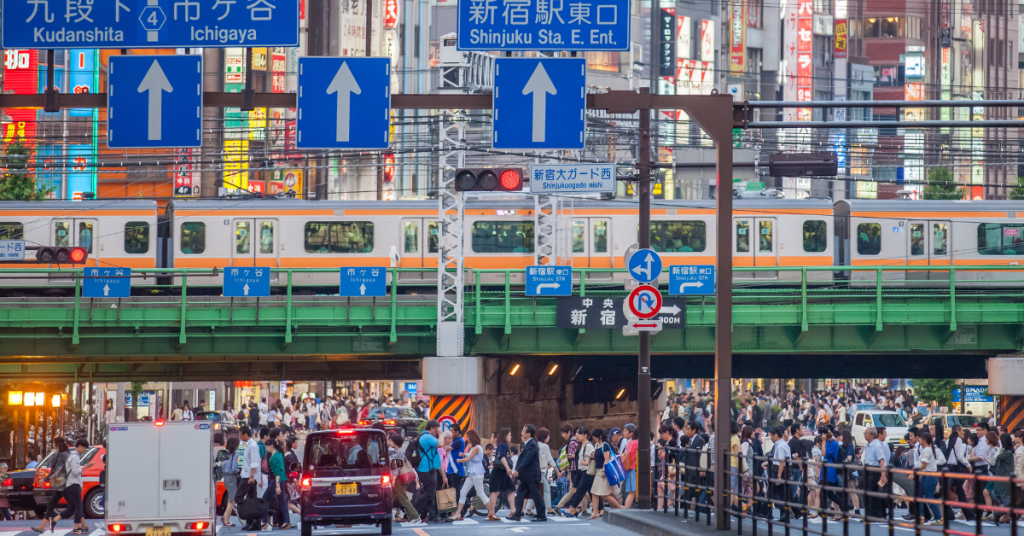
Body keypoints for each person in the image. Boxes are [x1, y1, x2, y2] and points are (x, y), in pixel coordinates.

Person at [452, 430, 497, 521]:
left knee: (480, 493)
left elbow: (468, 459)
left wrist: (459, 460)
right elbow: (470, 455)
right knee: (463, 492)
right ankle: (458, 513)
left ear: (471, 437)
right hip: (472, 473)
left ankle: (491, 513)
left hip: (477, 473)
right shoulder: (475, 447)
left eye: (468, 437)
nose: (467, 439)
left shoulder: (477, 447)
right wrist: (464, 454)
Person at [50, 439, 92, 535]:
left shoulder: (71, 455)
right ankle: (76, 528)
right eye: (84, 448)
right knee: (78, 506)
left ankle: (55, 519)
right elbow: (75, 472)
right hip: (73, 484)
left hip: (71, 484)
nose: (85, 450)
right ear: (80, 446)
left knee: (73, 507)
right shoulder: (74, 457)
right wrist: (86, 467)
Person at [509, 425, 547, 522]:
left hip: (532, 475)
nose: (521, 432)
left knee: (536, 495)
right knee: (520, 493)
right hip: (527, 475)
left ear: (528, 434)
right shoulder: (528, 444)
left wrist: (518, 470)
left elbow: (527, 460)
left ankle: (542, 515)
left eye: (523, 431)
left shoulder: (532, 444)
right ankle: (517, 514)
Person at [33, 438, 70, 534]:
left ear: (57, 444)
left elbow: (56, 469)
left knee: (74, 505)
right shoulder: (58, 453)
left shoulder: (62, 454)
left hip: (64, 484)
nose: (52, 444)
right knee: (51, 505)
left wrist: (45, 479)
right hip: (61, 485)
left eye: (53, 443)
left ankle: (82, 524)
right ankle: (42, 526)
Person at [413, 420, 442, 523]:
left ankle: (432, 515)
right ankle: (412, 509)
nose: (437, 432)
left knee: (429, 493)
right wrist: (441, 434)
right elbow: (440, 444)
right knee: (429, 494)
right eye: (436, 429)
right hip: (426, 470)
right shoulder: (427, 437)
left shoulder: (426, 437)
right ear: (432, 428)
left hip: (429, 470)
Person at [588, 428, 621, 519]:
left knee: (604, 494)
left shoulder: (605, 445)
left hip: (603, 471)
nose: (594, 438)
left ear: (600, 436)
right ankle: (595, 513)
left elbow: (606, 459)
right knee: (594, 492)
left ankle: (619, 507)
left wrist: (603, 471)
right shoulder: (597, 445)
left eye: (595, 437)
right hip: (598, 471)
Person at [236, 426, 263, 531]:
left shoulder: (252, 445)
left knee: (238, 497)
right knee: (251, 498)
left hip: (249, 477)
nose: (240, 437)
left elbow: (254, 462)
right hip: (248, 475)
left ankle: (252, 519)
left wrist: (252, 476)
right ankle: (253, 521)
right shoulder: (249, 445)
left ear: (245, 434)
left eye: (240, 435)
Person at [388, 434, 420, 522]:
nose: (390, 442)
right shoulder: (394, 451)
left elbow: (397, 467)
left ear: (395, 443)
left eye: (391, 441)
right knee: (389, 498)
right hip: (395, 478)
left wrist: (394, 479)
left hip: (398, 479)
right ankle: (383, 514)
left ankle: (415, 516)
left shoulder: (399, 452)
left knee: (403, 498)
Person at [916, 432, 944, 525]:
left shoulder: (927, 450)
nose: (918, 440)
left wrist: (914, 472)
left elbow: (924, 464)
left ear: (925, 440)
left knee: (929, 497)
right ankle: (921, 517)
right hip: (926, 475)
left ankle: (939, 518)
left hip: (929, 476)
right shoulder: (926, 449)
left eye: (920, 438)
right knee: (919, 495)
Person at [489, 428, 517, 518]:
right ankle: (492, 513)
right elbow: (502, 457)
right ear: (505, 436)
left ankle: (512, 510)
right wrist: (508, 468)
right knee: (496, 492)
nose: (511, 437)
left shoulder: (501, 445)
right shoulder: (504, 444)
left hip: (501, 471)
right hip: (500, 471)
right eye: (509, 435)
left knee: (511, 490)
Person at [263, 439, 290, 530]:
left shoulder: (273, 457)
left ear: (271, 446)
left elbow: (277, 472)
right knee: (282, 501)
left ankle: (264, 522)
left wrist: (277, 486)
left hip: (276, 480)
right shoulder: (279, 454)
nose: (266, 448)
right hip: (283, 479)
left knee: (265, 499)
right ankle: (286, 522)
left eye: (266, 446)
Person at [863, 427, 889, 521]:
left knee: (873, 493)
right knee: (868, 493)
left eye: (866, 433)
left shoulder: (877, 445)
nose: (864, 435)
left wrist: (883, 474)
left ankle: (877, 515)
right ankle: (870, 514)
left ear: (872, 435)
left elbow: (882, 460)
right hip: (868, 470)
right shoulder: (868, 445)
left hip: (875, 470)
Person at [220, 437, 241, 527]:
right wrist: (238, 470)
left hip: (226, 477)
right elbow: (234, 469)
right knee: (231, 501)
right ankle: (226, 521)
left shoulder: (224, 454)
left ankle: (224, 517)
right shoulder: (234, 455)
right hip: (232, 478)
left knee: (231, 499)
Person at [445, 425, 466, 505]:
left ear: (457, 432)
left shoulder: (458, 441)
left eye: (451, 431)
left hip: (456, 470)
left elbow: (446, 449)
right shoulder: (455, 441)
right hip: (450, 470)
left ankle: (459, 509)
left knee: (456, 491)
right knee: (451, 491)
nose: (450, 432)